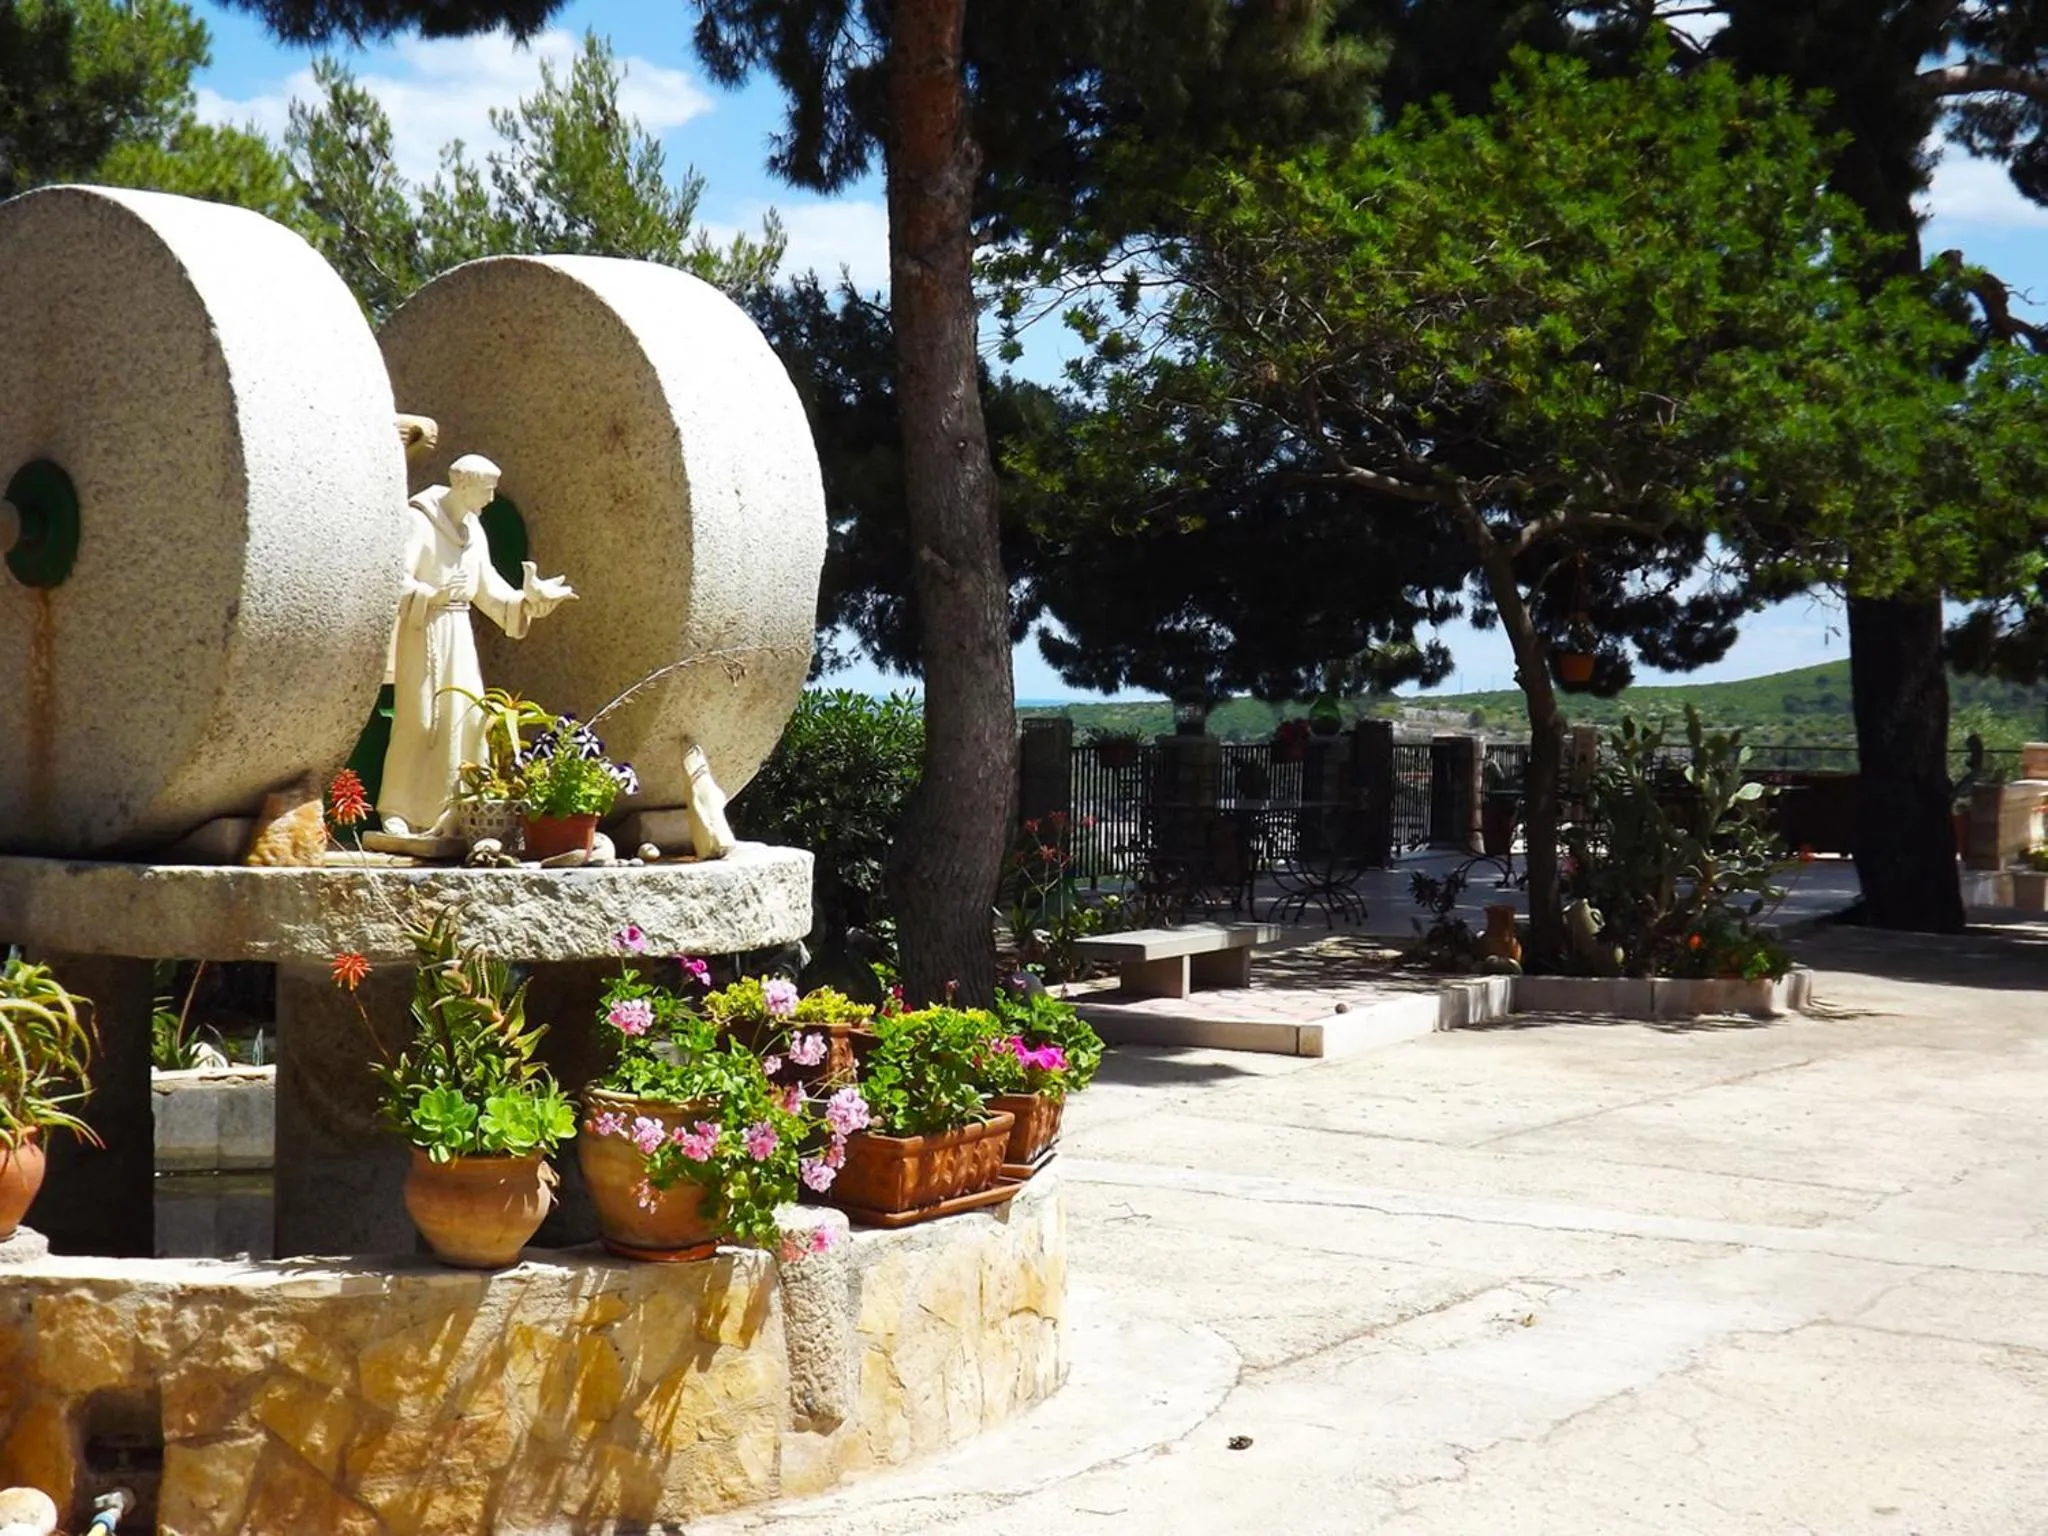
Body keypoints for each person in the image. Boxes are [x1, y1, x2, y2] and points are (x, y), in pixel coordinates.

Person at [378, 454, 575, 835]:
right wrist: (431, 595)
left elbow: (490, 590)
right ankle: (398, 809)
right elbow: (392, 578)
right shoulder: (419, 521)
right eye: (486, 490)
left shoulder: (473, 529)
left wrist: (529, 600)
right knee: (420, 719)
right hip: (425, 631)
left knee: (466, 719)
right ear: (464, 486)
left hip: (459, 633)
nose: (490, 498)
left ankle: (455, 809)